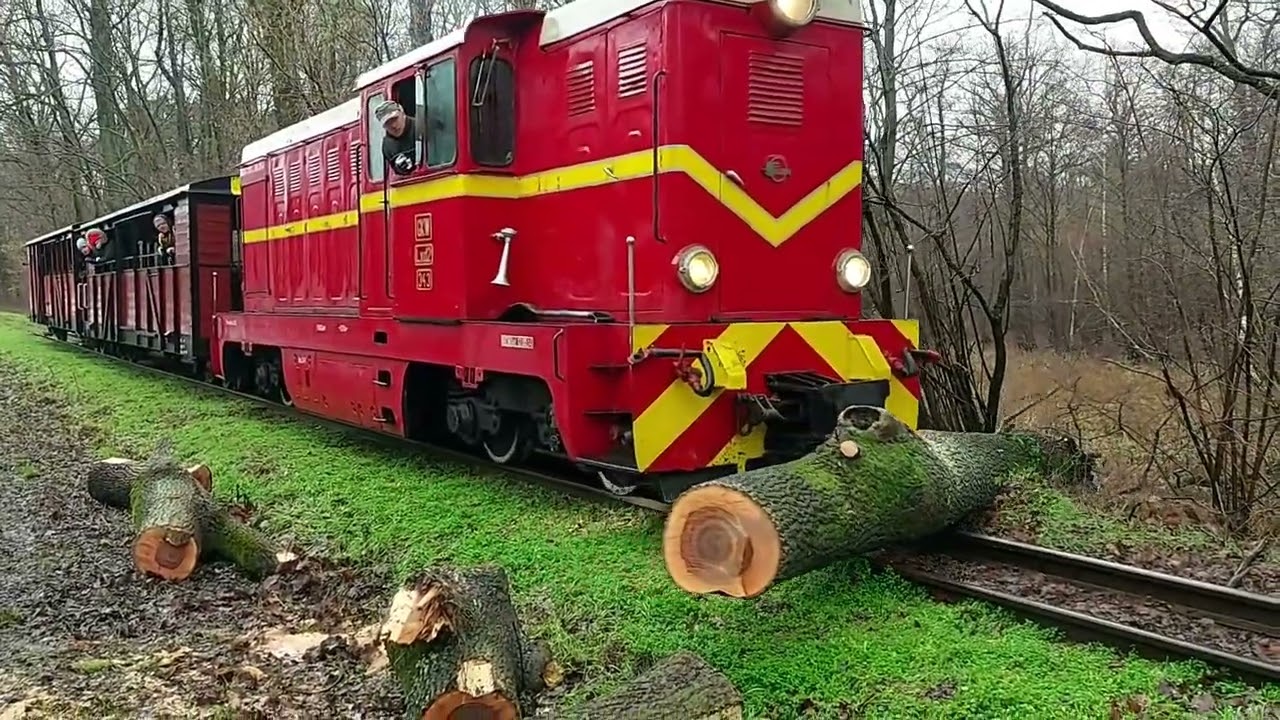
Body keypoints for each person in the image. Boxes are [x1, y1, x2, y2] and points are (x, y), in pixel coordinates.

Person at [375, 99, 418, 176]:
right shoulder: (388, 146)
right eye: (387, 123)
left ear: (402, 113)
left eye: (395, 119)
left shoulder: (422, 127)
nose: (393, 125)